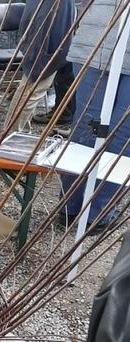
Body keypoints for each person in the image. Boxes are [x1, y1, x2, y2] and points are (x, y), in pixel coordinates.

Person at [58, 0, 129, 234]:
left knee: (114, 133)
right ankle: (80, 206)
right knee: (92, 129)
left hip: (96, 38)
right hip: (95, 41)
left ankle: (90, 208)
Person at [4, 0, 75, 132]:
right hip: (47, 24)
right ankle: (10, 136)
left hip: (55, 21)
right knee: (33, 86)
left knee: (33, 86)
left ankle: (20, 132)